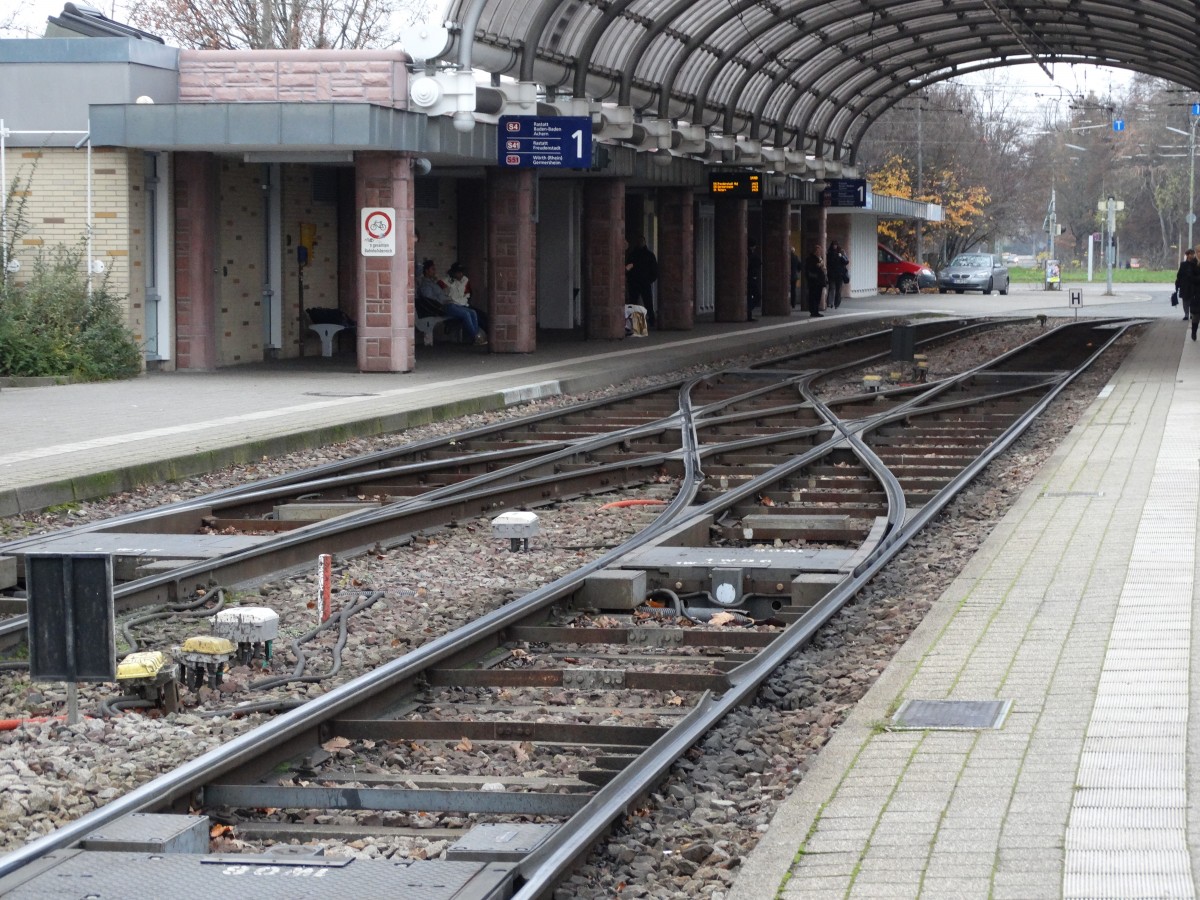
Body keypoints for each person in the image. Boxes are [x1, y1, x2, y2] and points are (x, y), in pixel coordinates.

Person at [417, 259, 487, 345]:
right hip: (443, 306)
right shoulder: (426, 285)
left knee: (473, 312)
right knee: (466, 314)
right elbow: (430, 300)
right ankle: (476, 337)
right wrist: (444, 302)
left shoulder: (433, 283)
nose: (435, 271)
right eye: (432, 269)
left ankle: (477, 337)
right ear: (426, 271)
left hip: (450, 303)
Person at [443, 261, 489, 337]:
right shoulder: (448, 281)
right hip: (454, 304)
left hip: (464, 303)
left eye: (461, 272)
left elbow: (468, 293)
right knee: (473, 315)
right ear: (454, 273)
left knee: (481, 314)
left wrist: (464, 298)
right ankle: (476, 336)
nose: (461, 274)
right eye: (458, 272)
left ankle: (483, 334)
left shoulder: (464, 280)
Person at [625, 236, 659, 326]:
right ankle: (636, 323)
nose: (640, 243)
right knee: (635, 302)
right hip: (637, 282)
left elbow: (654, 270)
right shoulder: (638, 255)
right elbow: (628, 267)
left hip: (641, 282)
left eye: (641, 241)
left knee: (646, 302)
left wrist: (650, 279)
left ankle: (649, 320)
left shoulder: (642, 255)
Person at [1176, 249, 1199, 326]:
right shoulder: (1183, 264)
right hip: (1185, 285)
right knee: (1185, 300)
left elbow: (1197, 274)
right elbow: (1179, 274)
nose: (1192, 255)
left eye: (1193, 254)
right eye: (1191, 254)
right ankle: (1186, 314)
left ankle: (1192, 314)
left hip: (1193, 285)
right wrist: (1178, 283)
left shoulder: (1195, 264)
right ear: (1187, 255)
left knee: (1192, 300)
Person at [803, 241, 827, 318]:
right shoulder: (810, 259)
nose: (819, 252)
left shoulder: (820, 258)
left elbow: (822, 268)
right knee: (813, 296)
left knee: (818, 296)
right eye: (818, 251)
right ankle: (813, 311)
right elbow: (810, 269)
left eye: (820, 251)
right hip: (814, 281)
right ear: (815, 251)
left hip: (819, 281)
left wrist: (823, 268)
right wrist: (818, 265)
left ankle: (816, 310)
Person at [826, 241, 849, 309]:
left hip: (839, 274)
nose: (835, 246)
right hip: (832, 274)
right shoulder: (829, 253)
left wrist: (841, 256)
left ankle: (837, 303)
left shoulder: (841, 252)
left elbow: (846, 261)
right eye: (834, 245)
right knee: (832, 288)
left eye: (836, 245)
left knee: (838, 290)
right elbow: (828, 263)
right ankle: (830, 303)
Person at [746, 239, 762, 321]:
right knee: (757, 296)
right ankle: (747, 311)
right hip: (752, 278)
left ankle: (748, 314)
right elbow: (759, 262)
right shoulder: (751, 255)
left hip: (748, 278)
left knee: (749, 296)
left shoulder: (747, 254)